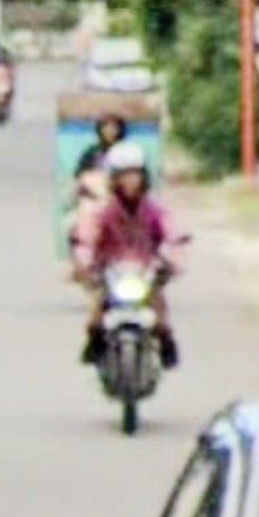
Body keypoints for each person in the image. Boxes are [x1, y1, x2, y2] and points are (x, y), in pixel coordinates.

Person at [82, 139, 180, 369]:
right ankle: (94, 344)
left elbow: (172, 233)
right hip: (112, 268)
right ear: (113, 178)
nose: (130, 180)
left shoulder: (153, 209)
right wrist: (87, 261)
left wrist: (174, 258)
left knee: (159, 309)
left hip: (145, 268)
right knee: (96, 310)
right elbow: (87, 236)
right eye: (124, 174)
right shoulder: (104, 210)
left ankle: (167, 344)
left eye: (135, 174)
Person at [75, 113, 127, 178]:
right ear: (100, 129)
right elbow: (79, 174)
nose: (110, 131)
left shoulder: (126, 151)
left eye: (114, 127)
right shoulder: (91, 152)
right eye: (106, 127)